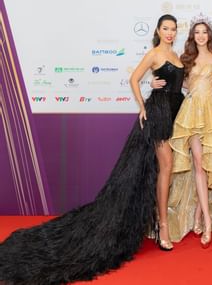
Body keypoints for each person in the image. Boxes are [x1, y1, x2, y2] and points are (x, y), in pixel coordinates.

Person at [0, 14, 184, 283]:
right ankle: (163, 229)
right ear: (158, 30)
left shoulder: (175, 53)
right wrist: (144, 107)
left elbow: (179, 85)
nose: (169, 32)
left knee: (162, 169)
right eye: (166, 28)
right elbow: (134, 79)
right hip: (157, 114)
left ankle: (158, 224)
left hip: (172, 114)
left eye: (173, 29)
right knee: (166, 168)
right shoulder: (155, 53)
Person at [158, 18, 212, 248]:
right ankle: (209, 222)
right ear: (193, 36)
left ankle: (200, 215)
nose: (201, 35)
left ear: (209, 35)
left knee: (209, 166)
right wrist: (154, 84)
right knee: (199, 164)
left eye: (204, 32)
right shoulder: (186, 59)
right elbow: (175, 82)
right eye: (197, 32)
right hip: (191, 114)